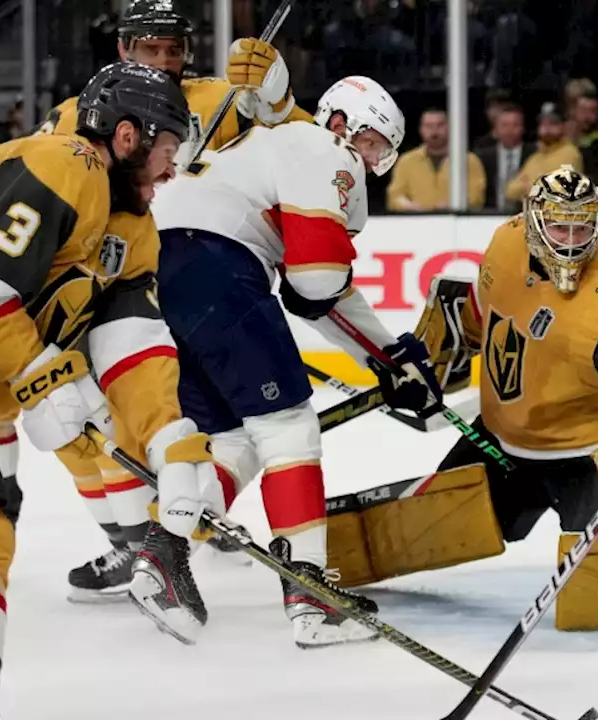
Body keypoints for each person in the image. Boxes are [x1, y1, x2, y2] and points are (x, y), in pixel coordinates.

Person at [0, 62, 216, 720]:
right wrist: (43, 374)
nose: (172, 170)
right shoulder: (62, 165)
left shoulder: (133, 231)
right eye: (169, 150)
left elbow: (133, 347)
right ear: (128, 136)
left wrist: (170, 440)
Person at [136, 75, 431, 649]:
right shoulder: (323, 147)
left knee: (232, 440)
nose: (373, 162)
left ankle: (161, 555)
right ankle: (310, 599)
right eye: (373, 143)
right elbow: (318, 282)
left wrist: (384, 356)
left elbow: (313, 292)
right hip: (221, 267)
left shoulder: (268, 147)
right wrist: (388, 359)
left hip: (166, 272)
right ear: (344, 122)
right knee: (289, 427)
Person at [35, 0, 314, 601]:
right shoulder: (78, 114)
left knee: (184, 424)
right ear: (122, 50)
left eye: (174, 50)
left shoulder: (219, 99)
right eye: (150, 50)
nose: (165, 62)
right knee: (93, 432)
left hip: (191, 277)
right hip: (111, 288)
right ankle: (134, 545)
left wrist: (280, 98)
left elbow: (310, 156)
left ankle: (167, 541)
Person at [414, 166, 598, 546]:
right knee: (431, 532)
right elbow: (484, 312)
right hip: (502, 444)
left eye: (581, 229)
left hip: (592, 457)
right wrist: (444, 348)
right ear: (532, 222)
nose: (570, 243)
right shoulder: (506, 243)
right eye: (558, 228)